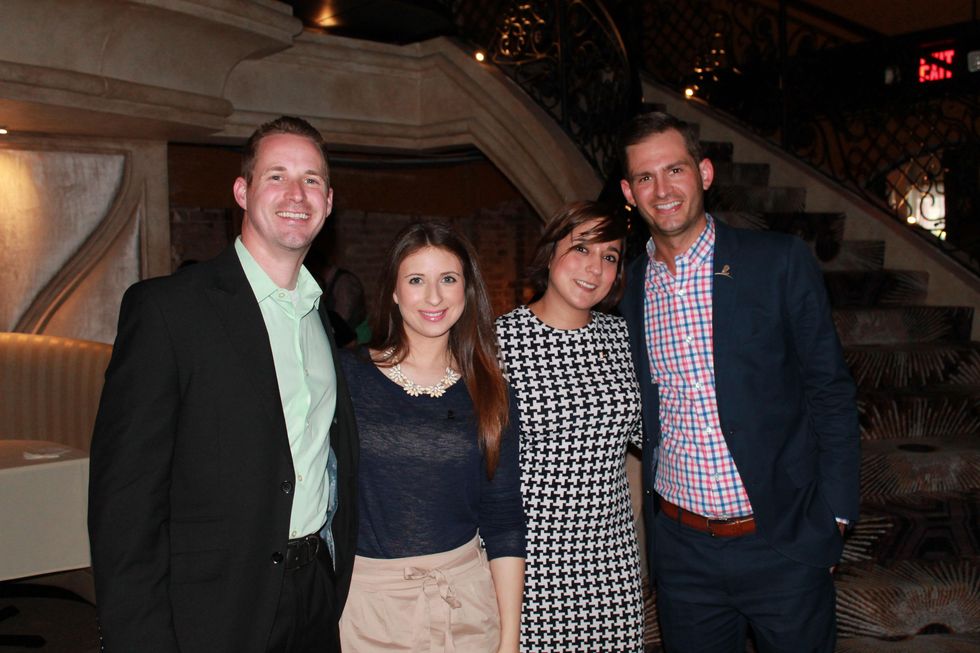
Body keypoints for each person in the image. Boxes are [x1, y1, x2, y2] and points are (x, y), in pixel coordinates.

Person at [88, 115, 358, 653]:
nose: (296, 193)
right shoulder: (168, 310)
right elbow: (124, 503)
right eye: (276, 175)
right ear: (242, 190)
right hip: (213, 609)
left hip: (315, 596)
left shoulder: (321, 321)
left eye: (311, 180)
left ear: (328, 201)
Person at [617, 111, 860, 653]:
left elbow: (830, 391)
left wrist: (837, 516)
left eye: (674, 170)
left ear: (704, 173)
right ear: (628, 193)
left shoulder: (778, 262)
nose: (662, 190)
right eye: (645, 178)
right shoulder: (629, 286)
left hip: (781, 541)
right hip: (682, 556)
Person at [337, 221, 526, 652]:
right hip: (369, 610)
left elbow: (504, 520)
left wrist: (509, 641)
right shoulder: (348, 377)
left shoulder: (491, 390)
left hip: (466, 606)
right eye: (417, 280)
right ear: (394, 291)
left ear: (467, 290)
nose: (434, 297)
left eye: (448, 279)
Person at [495, 201, 644, 651]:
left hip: (611, 565)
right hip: (528, 565)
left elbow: (650, 438)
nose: (594, 268)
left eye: (610, 256)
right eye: (581, 248)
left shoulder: (624, 339)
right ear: (551, 250)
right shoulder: (499, 341)